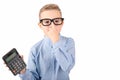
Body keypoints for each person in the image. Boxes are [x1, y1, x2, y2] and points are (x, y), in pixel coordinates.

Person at [19, 3, 75, 80]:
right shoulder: (35, 49)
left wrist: (56, 41)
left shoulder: (69, 42)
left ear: (62, 23)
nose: (52, 26)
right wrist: (23, 71)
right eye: (47, 22)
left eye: (56, 21)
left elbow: (67, 67)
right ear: (40, 25)